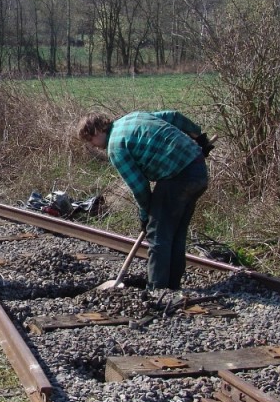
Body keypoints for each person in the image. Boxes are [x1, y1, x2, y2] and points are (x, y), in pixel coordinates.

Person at [77, 110, 210, 290]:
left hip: (177, 176)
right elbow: (174, 116)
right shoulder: (135, 117)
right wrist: (199, 137)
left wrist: (145, 215)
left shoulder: (116, 147)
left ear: (97, 131)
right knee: (176, 231)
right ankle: (172, 287)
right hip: (198, 169)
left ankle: (157, 289)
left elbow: (139, 187)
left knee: (158, 235)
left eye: (90, 140)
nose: (93, 145)